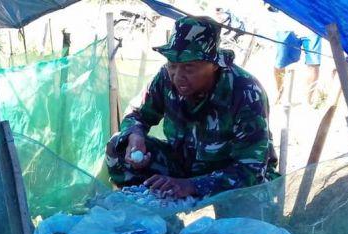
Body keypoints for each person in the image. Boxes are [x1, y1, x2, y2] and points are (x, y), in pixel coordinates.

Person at [106, 16, 279, 200]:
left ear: (214, 65)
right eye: (172, 65)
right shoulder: (165, 77)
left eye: (189, 67)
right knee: (118, 145)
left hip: (230, 175)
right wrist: (135, 136)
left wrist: (193, 185)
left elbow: (251, 169)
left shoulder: (245, 92)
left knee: (246, 204)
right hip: (183, 165)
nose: (177, 76)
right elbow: (137, 114)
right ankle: (151, 210)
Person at [268, 6, 322, 105]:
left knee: (313, 64)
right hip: (287, 21)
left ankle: (308, 101)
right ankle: (279, 93)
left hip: (312, 22)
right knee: (279, 63)